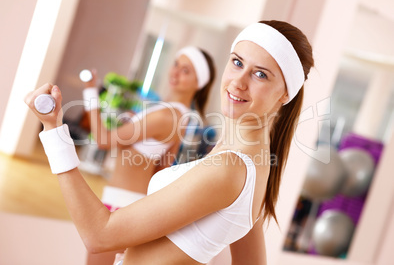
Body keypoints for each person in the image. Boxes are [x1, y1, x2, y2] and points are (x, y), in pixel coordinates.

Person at [25, 20, 313, 264]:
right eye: (237, 62)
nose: (239, 82)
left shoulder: (230, 166)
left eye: (260, 74)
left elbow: (99, 235)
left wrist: (53, 128)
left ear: (284, 94)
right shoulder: (250, 163)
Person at [82, 47, 216, 263]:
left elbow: (102, 141)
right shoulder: (180, 116)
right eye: (175, 64)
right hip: (130, 207)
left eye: (186, 70)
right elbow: (161, 170)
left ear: (198, 83)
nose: (175, 73)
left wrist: (90, 91)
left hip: (121, 208)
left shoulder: (166, 115)